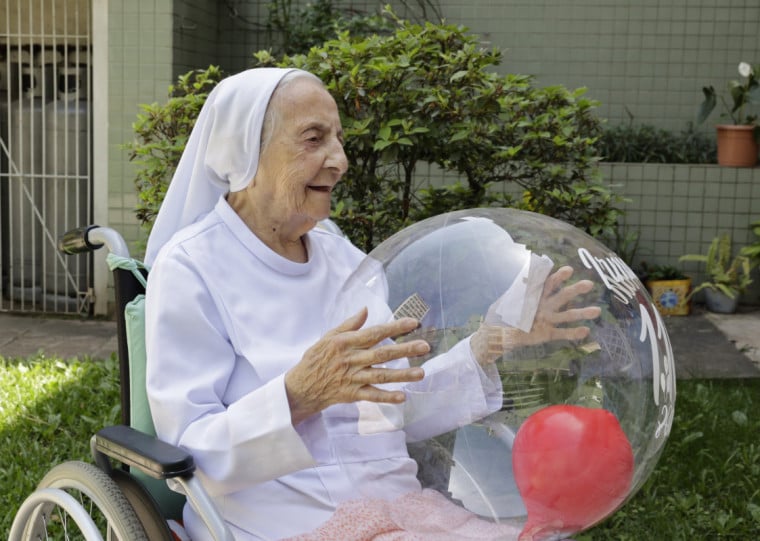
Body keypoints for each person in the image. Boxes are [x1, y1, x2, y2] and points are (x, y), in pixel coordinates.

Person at [144, 67, 601, 540]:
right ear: (245, 151)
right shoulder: (190, 268)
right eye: (313, 138)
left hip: (398, 510)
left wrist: (487, 345)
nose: (339, 160)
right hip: (279, 520)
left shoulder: (347, 262)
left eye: (338, 140)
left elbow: (391, 405)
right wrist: (298, 395)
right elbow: (186, 454)